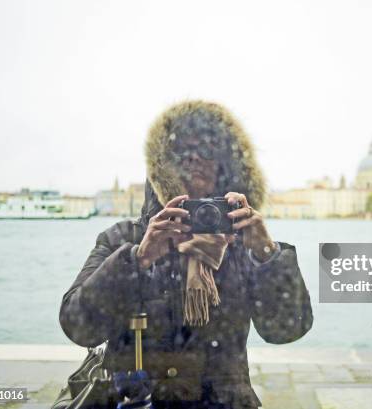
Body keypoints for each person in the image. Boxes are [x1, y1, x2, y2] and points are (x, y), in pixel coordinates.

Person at [59, 100, 313, 409]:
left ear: (224, 167)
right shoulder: (124, 239)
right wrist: (138, 259)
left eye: (206, 152)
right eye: (182, 153)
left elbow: (287, 329)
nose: (194, 159)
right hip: (136, 400)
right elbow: (78, 326)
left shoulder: (241, 246)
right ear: (163, 166)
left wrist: (267, 253)